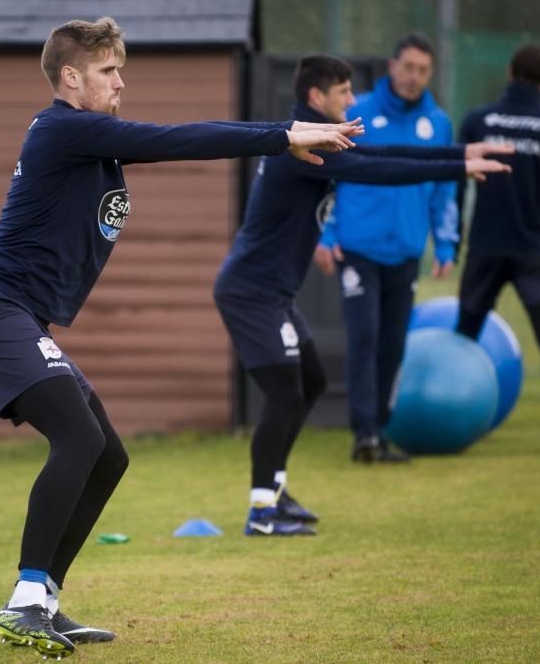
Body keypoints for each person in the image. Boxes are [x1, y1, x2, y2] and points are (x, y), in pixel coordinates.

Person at [0, 17, 362, 659]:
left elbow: (161, 141)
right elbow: (176, 139)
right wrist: (281, 135)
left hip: (19, 319)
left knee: (108, 455)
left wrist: (278, 140)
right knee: (79, 437)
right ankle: (25, 601)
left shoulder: (91, 142)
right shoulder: (63, 128)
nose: (120, 83)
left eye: (120, 70)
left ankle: (45, 600)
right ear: (70, 79)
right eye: (108, 72)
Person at [213, 53, 512, 537]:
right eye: (344, 92)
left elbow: (384, 155)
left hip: (275, 294)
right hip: (251, 294)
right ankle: (261, 511)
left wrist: (457, 157)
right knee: (285, 393)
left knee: (308, 383)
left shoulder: (317, 136)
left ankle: (275, 491)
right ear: (316, 98)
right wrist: (456, 165)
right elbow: (378, 170)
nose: (353, 100)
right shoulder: (302, 147)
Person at [313, 33, 458, 465]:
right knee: (365, 338)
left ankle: (379, 428)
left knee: (393, 345)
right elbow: (329, 178)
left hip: (407, 251)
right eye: (408, 67)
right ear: (392, 67)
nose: (414, 77)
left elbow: (444, 189)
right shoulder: (356, 112)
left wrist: (446, 242)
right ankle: (363, 435)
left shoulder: (440, 124)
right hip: (358, 249)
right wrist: (326, 235)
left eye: (423, 70)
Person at [455, 44, 540, 451]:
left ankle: (453, 414)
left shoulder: (477, 120)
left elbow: (454, 177)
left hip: (486, 247)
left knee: (466, 333)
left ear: (510, 72)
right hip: (532, 251)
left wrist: (454, 233)